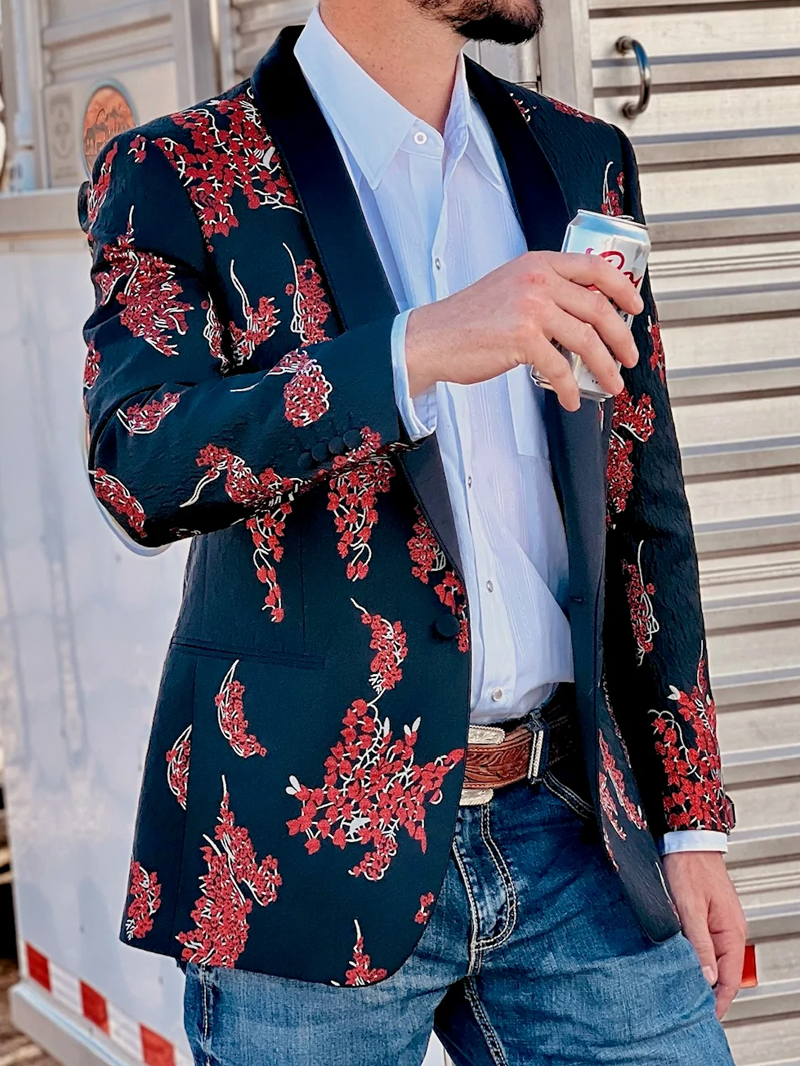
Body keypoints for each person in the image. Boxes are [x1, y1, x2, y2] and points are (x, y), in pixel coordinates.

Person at [78, 0, 747, 1062]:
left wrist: (691, 817)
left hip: (571, 829)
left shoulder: (581, 159)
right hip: (299, 845)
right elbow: (137, 465)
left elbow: (640, 505)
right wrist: (413, 352)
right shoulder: (177, 170)